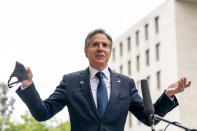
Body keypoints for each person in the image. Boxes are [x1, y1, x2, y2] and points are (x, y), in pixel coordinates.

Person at [16, 29, 191, 131]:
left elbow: (149, 119)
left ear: (110, 51)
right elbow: (43, 113)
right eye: (95, 44)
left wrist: (168, 95)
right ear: (86, 51)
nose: (100, 48)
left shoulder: (126, 84)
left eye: (105, 45)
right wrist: (28, 86)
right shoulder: (70, 82)